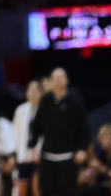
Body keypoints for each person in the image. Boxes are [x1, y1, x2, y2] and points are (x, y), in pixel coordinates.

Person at [28, 67, 90, 196]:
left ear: (66, 81)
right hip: (47, 156)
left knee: (68, 191)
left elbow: (84, 127)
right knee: (45, 190)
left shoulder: (75, 101)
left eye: (60, 78)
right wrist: (32, 146)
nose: (56, 81)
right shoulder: (46, 101)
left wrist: (82, 149)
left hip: (69, 157)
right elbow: (36, 125)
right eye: (54, 78)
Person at [79, 123, 111, 196]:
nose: (101, 140)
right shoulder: (102, 154)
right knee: (87, 190)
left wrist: (102, 168)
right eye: (100, 137)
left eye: (104, 137)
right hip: (105, 189)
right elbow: (92, 173)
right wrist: (87, 174)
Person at [12, 80, 43, 196]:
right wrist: (14, 154)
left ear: (41, 93)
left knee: (37, 189)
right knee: (22, 189)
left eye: (36, 90)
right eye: (30, 90)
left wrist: (40, 152)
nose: (33, 93)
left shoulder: (45, 110)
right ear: (26, 93)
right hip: (23, 156)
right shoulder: (20, 110)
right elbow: (14, 133)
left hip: (40, 157)